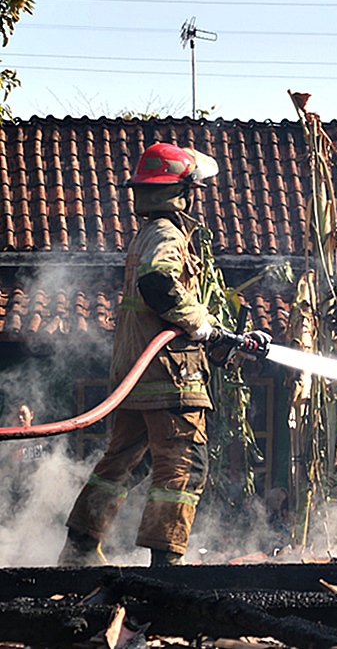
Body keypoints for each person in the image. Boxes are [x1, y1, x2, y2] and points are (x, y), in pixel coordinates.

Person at [59, 143, 271, 567]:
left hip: (139, 374)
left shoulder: (147, 234)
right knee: (183, 465)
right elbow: (158, 284)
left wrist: (217, 334)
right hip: (171, 376)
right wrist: (203, 325)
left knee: (122, 462)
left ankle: (79, 549)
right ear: (183, 191)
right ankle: (165, 565)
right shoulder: (168, 234)